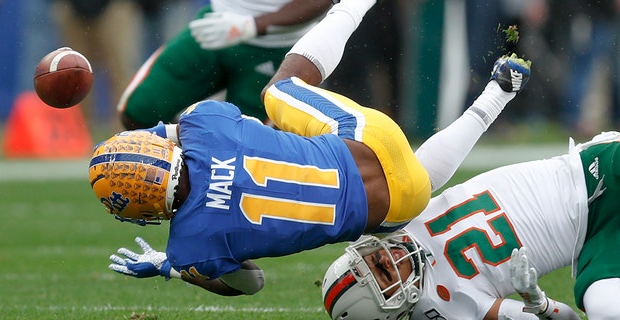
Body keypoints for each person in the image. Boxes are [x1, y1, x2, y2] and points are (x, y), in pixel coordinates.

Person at [90, 0, 530, 298]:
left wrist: (175, 266)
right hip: (367, 136)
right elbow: (188, 134)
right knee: (277, 92)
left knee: (412, 187)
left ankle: (497, 94)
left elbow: (251, 283)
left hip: (392, 207)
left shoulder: (194, 246)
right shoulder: (204, 125)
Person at [321, 133, 620, 319]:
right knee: (607, 312)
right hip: (597, 246)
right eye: (384, 272)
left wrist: (493, 98)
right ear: (394, 305)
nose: (386, 257)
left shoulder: (392, 220)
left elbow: (430, 164)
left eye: (374, 258)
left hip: (591, 173)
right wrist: (537, 301)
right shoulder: (447, 309)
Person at [116, 0, 333, 129]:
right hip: (215, 27)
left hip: (277, 49)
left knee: (242, 153)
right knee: (139, 111)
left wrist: (252, 25)